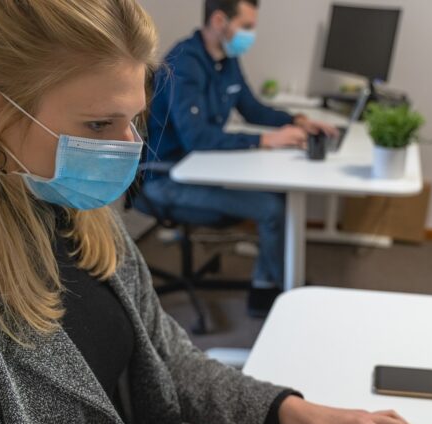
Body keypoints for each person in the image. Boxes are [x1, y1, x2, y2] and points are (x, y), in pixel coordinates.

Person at [0, 1, 413, 424]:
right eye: (98, 126)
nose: (129, 149)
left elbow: (166, 359)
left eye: (134, 119)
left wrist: (288, 412)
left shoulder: (81, 217)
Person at [141, 0, 338, 317]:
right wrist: (265, 140)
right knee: (272, 207)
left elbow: (252, 108)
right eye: (246, 27)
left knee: (278, 195)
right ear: (220, 20)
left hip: (199, 169)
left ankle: (269, 282)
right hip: (165, 177)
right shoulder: (185, 63)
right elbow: (198, 138)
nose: (251, 34)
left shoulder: (225, 58)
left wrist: (297, 121)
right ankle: (270, 292)